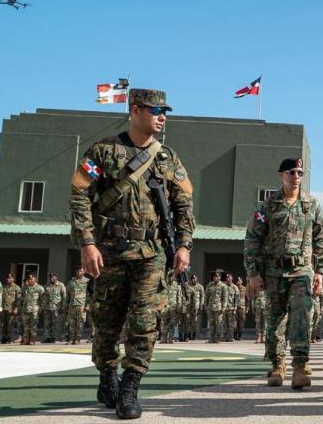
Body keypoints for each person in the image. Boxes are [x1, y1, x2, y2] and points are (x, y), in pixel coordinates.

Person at [69, 88, 194, 419]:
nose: (162, 116)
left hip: (152, 253)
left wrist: (184, 245)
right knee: (106, 322)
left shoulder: (167, 158)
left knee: (145, 321)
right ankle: (107, 377)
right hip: (109, 252)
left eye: (165, 111)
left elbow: (183, 205)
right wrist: (87, 243)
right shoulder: (103, 152)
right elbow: (80, 195)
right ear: (135, 110)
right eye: (156, 110)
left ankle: (130, 387)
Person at [244, 157, 323, 390]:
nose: (296, 177)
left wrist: (320, 272)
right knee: (276, 319)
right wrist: (253, 273)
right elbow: (253, 239)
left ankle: (299, 366)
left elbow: (322, 240)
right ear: (280, 175)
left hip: (302, 271)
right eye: (291, 172)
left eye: (300, 172)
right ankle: (277, 365)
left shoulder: (312, 205)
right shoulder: (267, 206)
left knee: (302, 315)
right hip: (273, 272)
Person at [65, 267, 91, 344]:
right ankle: (71, 339)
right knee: (71, 323)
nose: (79, 272)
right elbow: (67, 295)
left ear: (84, 272)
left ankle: (77, 339)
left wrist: (88, 305)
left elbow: (89, 295)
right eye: (78, 271)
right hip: (72, 305)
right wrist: (65, 305)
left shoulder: (87, 281)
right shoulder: (71, 282)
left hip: (82, 305)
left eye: (81, 271)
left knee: (80, 323)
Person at [19, 273, 44, 345]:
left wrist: (41, 309)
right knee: (26, 326)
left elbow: (42, 300)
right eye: (29, 279)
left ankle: (32, 340)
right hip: (25, 310)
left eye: (31, 279)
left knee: (33, 326)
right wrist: (20, 308)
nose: (29, 280)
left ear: (35, 279)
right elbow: (21, 299)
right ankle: (26, 340)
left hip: (34, 310)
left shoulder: (39, 288)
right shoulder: (24, 288)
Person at [41, 272, 66, 343]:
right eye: (50, 277)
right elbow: (43, 297)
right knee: (47, 323)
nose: (52, 278)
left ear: (56, 277)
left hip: (56, 307)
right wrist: (43, 307)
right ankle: (48, 337)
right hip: (47, 307)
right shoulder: (46, 286)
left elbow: (64, 296)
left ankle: (53, 337)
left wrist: (62, 307)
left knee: (55, 323)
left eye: (53, 277)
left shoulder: (61, 285)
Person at [205, 270, 226, 343]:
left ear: (219, 277)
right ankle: (212, 338)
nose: (215, 278)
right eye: (214, 276)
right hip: (210, 307)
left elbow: (225, 297)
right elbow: (206, 296)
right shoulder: (209, 285)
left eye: (217, 276)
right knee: (211, 323)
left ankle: (218, 338)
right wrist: (206, 306)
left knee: (218, 323)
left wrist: (224, 307)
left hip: (218, 308)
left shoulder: (223, 286)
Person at [0, 274, 21, 343]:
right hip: (3, 308)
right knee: (3, 324)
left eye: (9, 278)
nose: (8, 279)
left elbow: (18, 299)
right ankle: (4, 337)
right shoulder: (3, 287)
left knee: (10, 324)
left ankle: (9, 338)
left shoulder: (17, 288)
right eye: (7, 278)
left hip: (11, 309)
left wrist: (16, 308)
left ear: (13, 279)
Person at [183, 275, 205, 341]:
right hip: (189, 305)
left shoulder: (200, 287)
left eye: (194, 278)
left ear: (196, 279)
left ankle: (194, 335)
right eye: (192, 279)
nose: (193, 280)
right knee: (188, 320)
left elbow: (202, 296)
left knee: (195, 320)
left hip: (196, 306)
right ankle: (189, 334)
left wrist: (201, 305)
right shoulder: (189, 287)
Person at [223, 273, 237, 342]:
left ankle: (230, 337)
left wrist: (235, 308)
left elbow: (236, 299)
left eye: (229, 277)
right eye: (227, 277)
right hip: (224, 308)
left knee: (231, 324)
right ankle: (225, 337)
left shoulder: (235, 287)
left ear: (232, 278)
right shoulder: (223, 286)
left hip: (231, 308)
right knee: (224, 323)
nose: (228, 279)